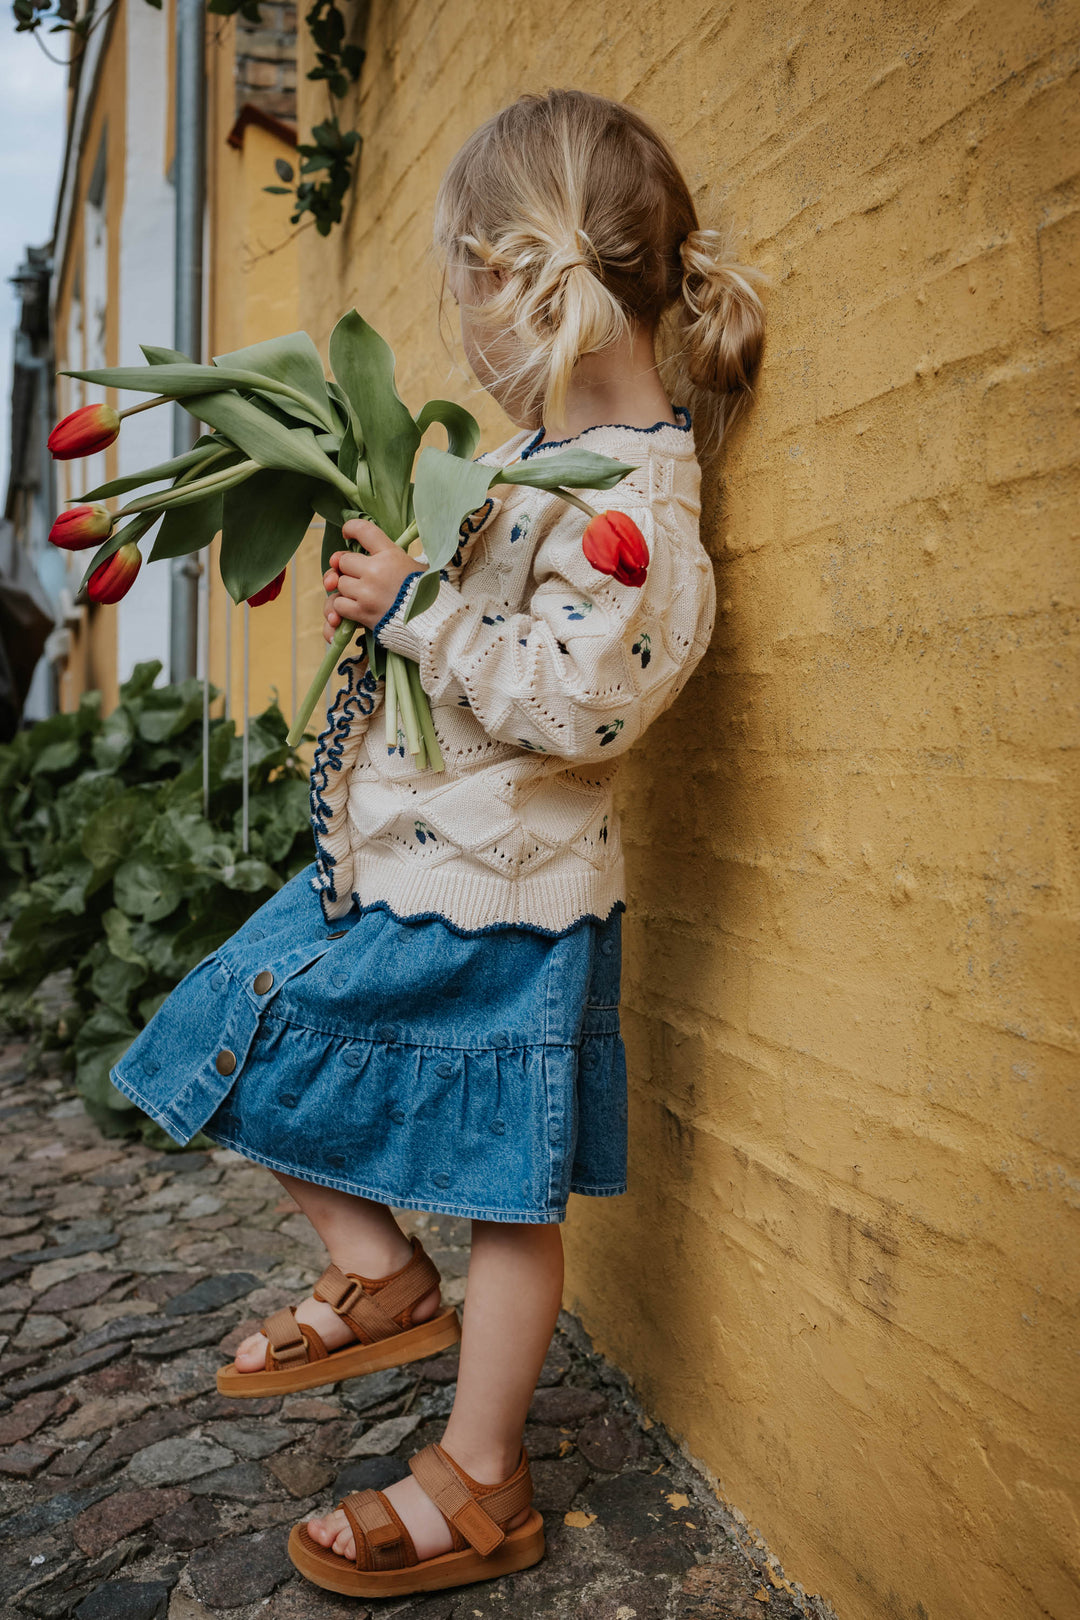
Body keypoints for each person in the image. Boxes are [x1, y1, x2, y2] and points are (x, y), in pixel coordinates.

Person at [110, 86, 763, 1599]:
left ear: (528, 279)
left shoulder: (641, 510)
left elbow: (589, 703)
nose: (457, 322)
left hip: (511, 903)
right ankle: (390, 1278)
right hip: (401, 869)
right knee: (218, 1027)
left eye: (465, 283)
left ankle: (480, 1472)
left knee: (503, 1197)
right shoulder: (540, 464)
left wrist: (420, 609)